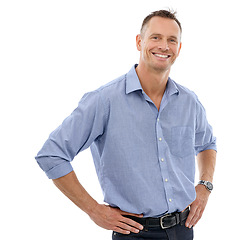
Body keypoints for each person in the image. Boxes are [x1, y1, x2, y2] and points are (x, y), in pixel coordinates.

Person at [35, 10, 217, 240]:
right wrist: (93, 210)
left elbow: (207, 142)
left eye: (172, 40)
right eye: (155, 37)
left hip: (183, 229)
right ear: (139, 42)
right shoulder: (104, 100)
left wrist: (205, 185)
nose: (164, 46)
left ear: (179, 48)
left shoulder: (189, 101)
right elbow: (52, 155)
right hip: (133, 233)